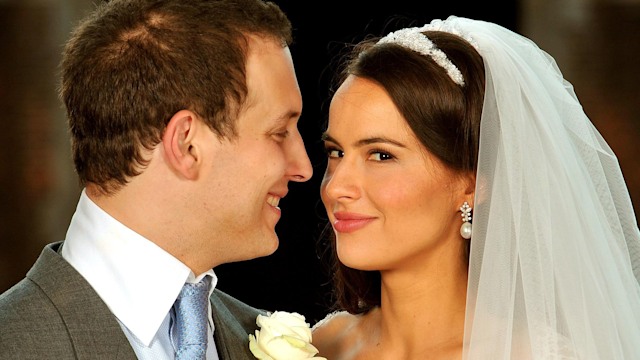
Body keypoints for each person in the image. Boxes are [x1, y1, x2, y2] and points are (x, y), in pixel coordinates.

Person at [312, 15, 640, 359]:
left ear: (473, 183)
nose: (336, 188)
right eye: (336, 152)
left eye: (380, 155)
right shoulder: (321, 345)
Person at [0, 0, 312, 359]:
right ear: (187, 144)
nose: (303, 167)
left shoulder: (253, 335)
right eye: (279, 132)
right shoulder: (12, 341)